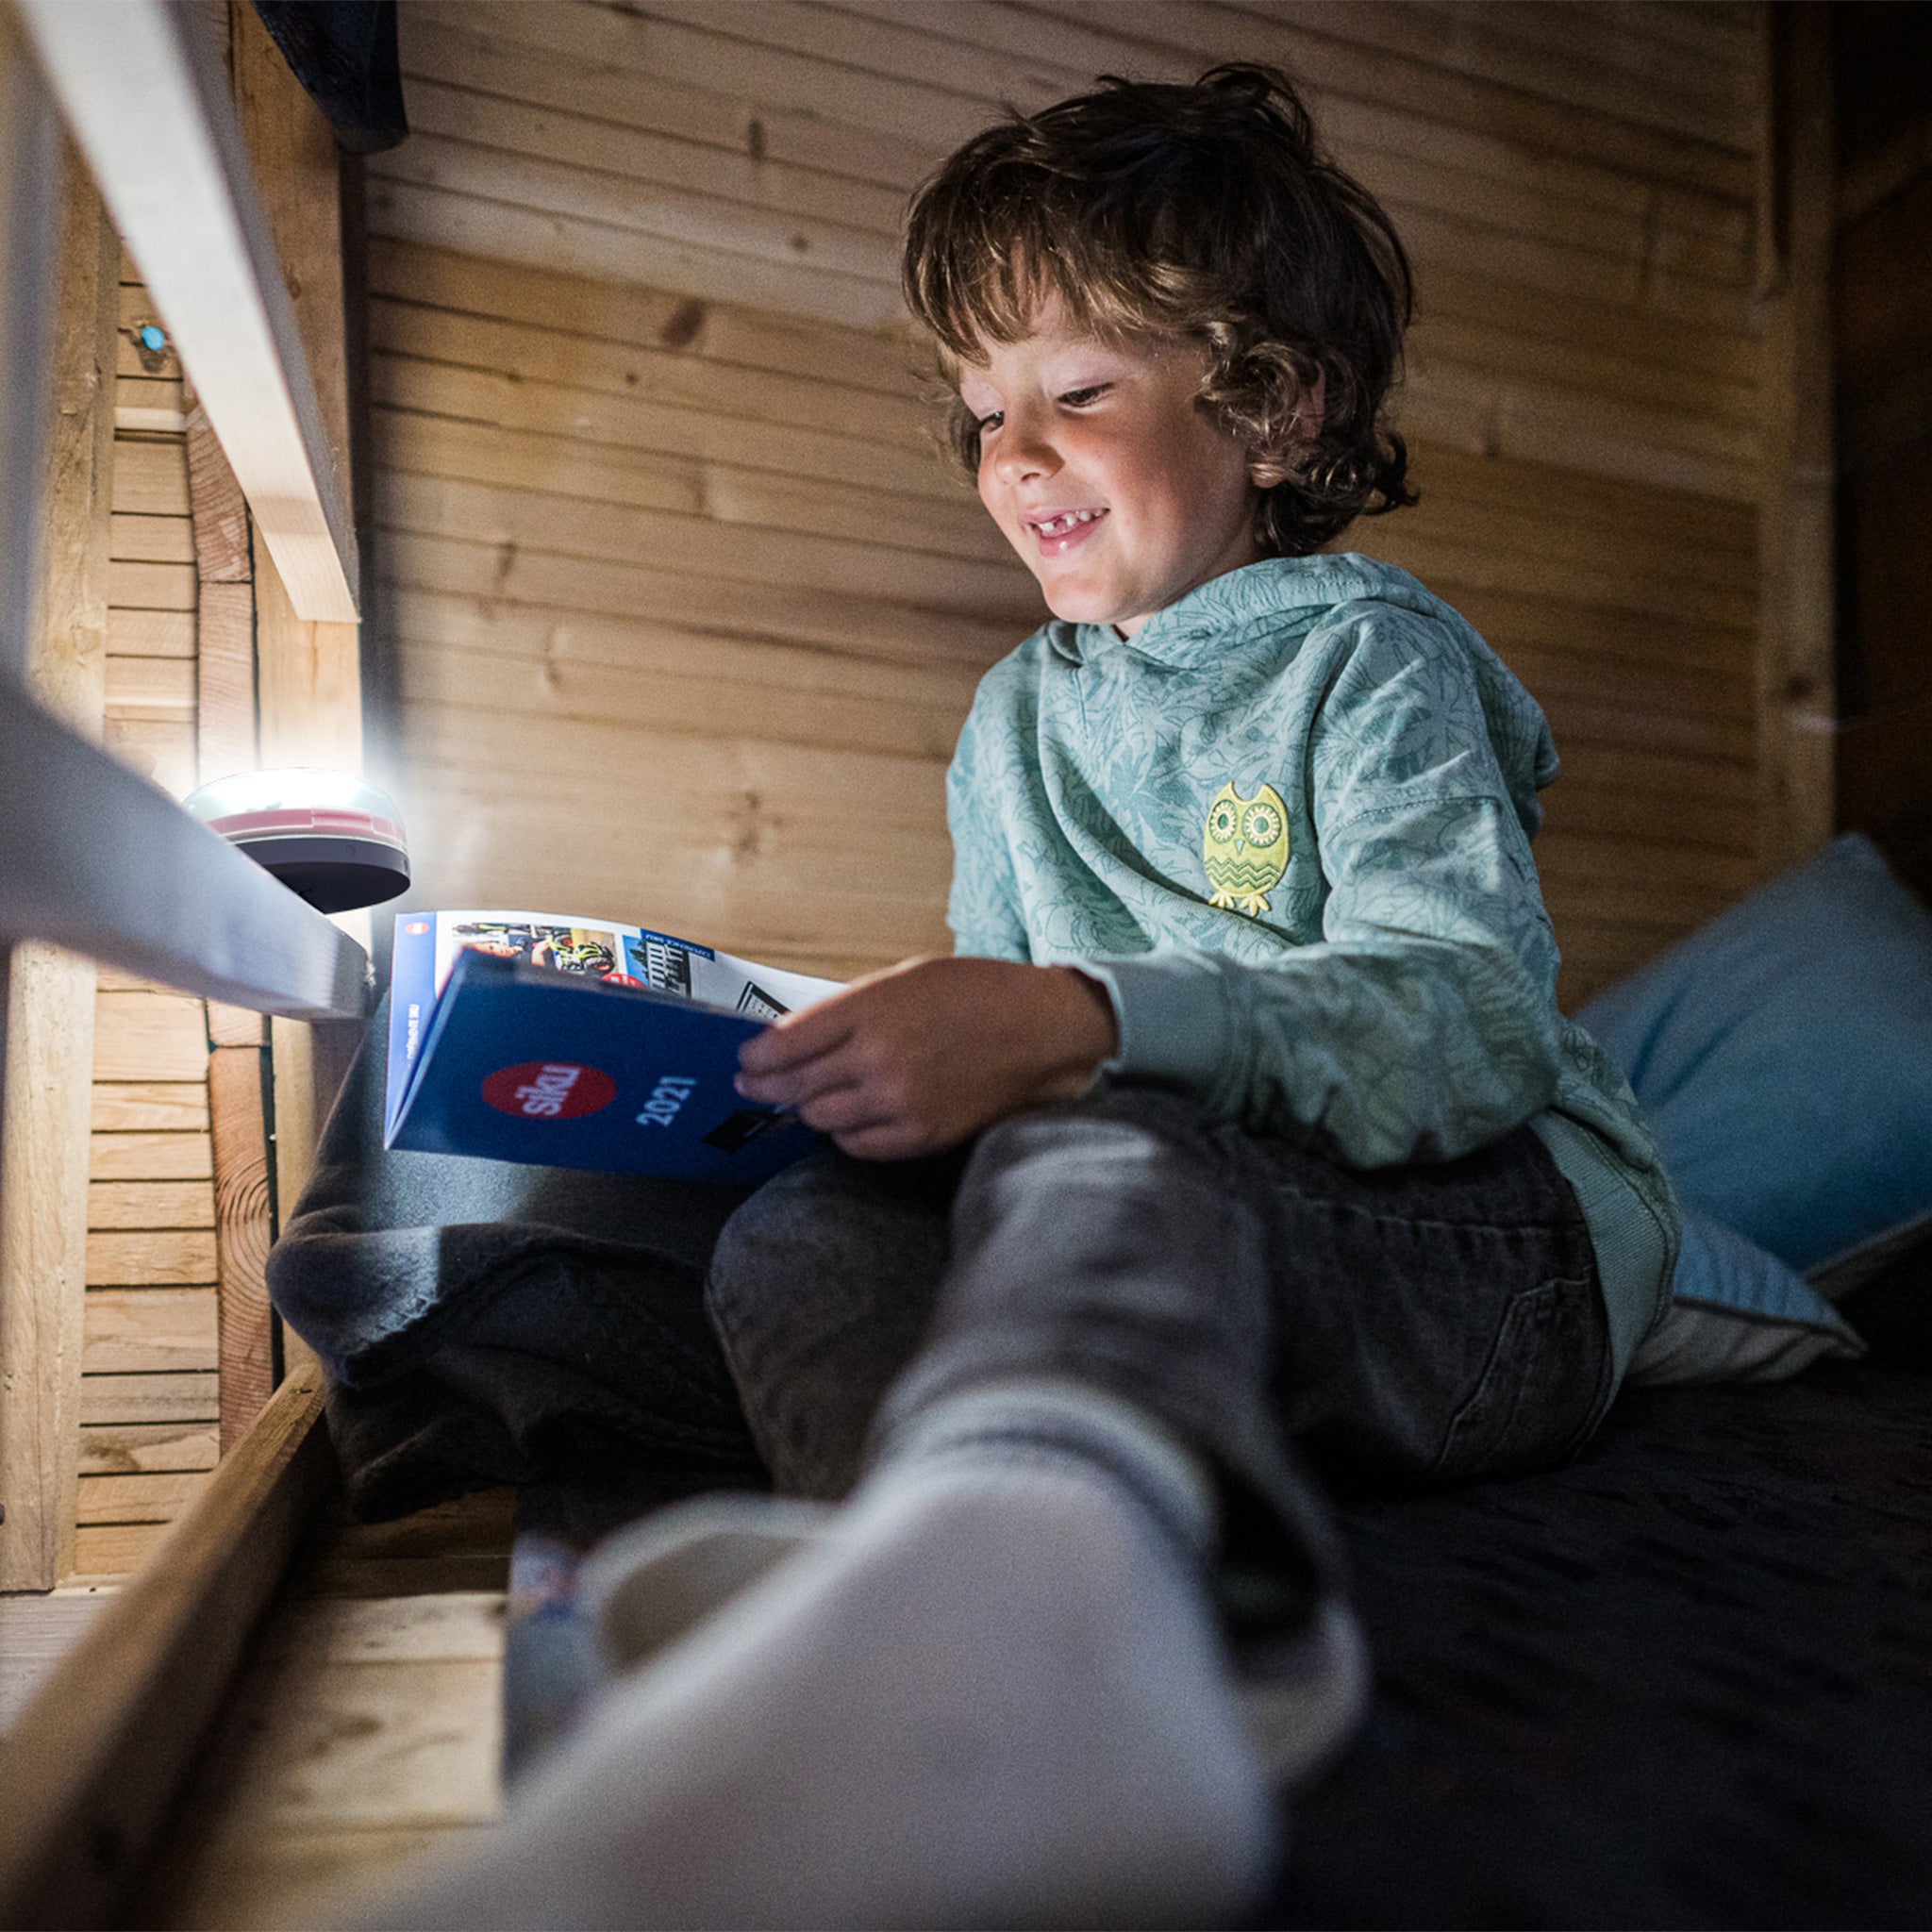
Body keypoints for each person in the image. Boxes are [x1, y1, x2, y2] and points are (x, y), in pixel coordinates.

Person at [368, 63, 1679, 1931]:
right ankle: (943, 1606)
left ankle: (1031, 1591)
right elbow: (1006, 1072)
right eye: (983, 411)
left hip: (1495, 1247)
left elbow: (1463, 1019)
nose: (1011, 456)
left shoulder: (1365, 658)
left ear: (1274, 407)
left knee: (1105, 1141)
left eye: (1075, 393)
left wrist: (1076, 1016)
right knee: (793, 1245)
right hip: (1170, 1236)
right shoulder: (1010, 725)